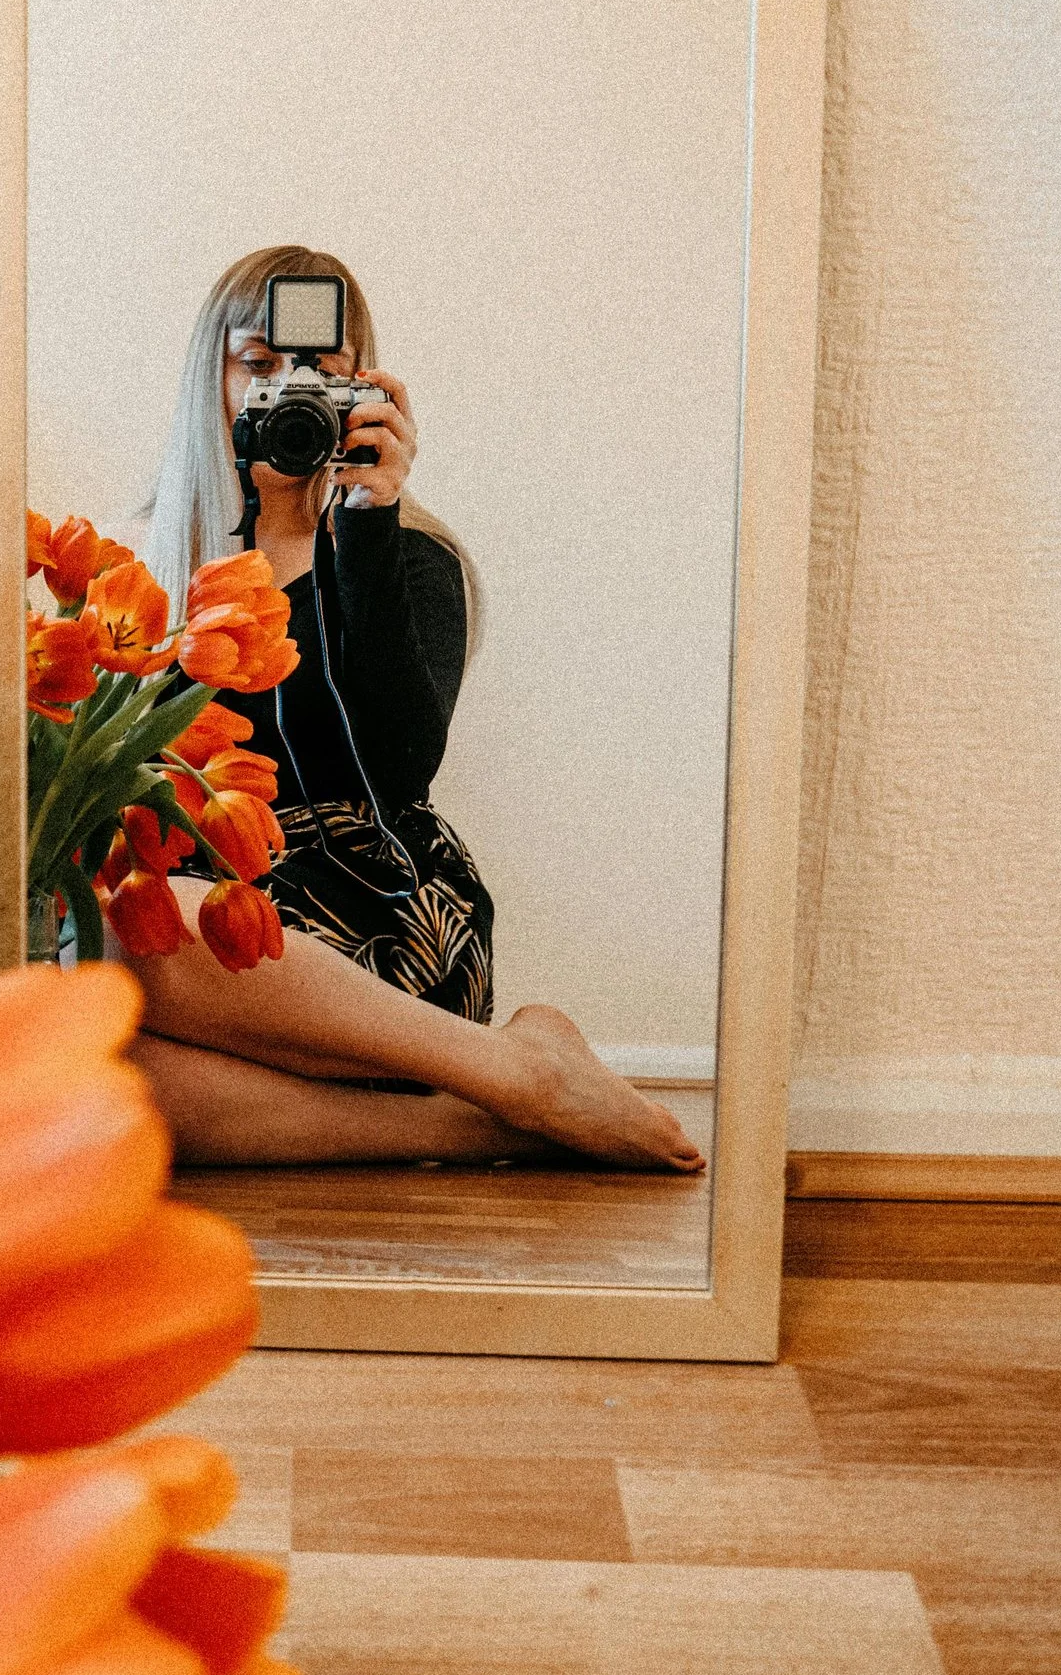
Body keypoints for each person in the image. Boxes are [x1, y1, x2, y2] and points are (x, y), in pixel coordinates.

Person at [122, 245, 704, 1172]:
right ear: (210, 379)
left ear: (366, 391)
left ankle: (487, 1074)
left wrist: (367, 523)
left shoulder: (412, 556)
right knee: (93, 1055)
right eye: (258, 365)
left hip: (378, 912)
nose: (286, 393)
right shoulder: (136, 572)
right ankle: (503, 1097)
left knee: (133, 929)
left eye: (318, 372)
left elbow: (395, 771)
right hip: (207, 949)